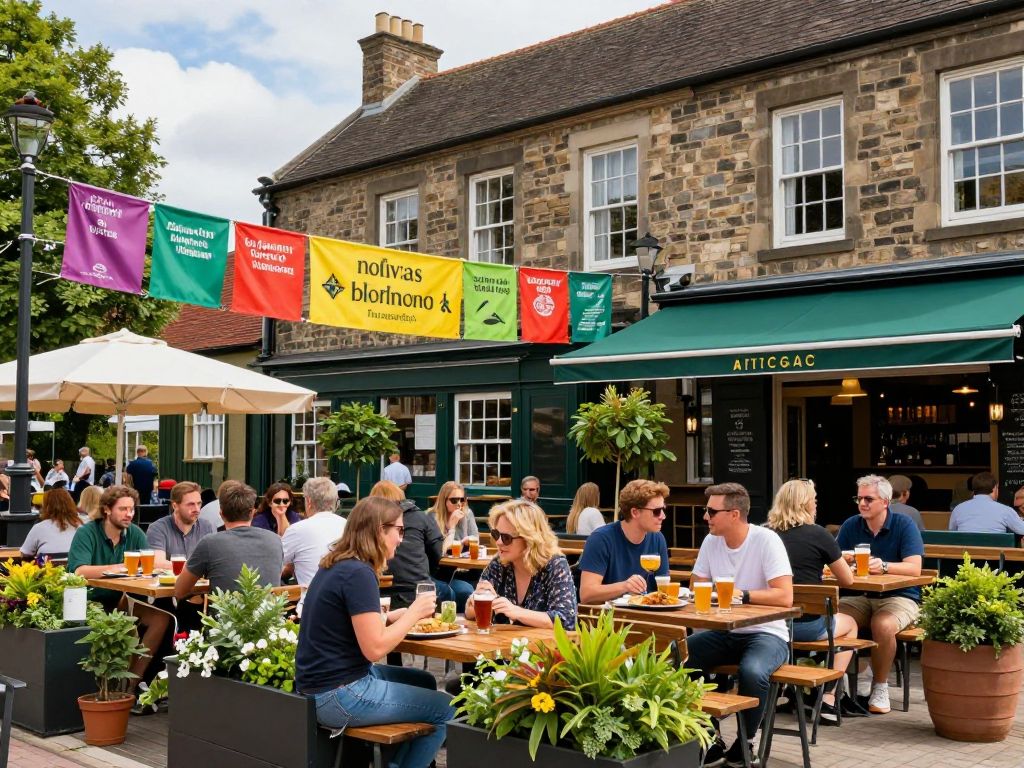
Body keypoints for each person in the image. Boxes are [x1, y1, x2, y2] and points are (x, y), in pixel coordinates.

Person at [295, 496, 454, 768]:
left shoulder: (337, 564)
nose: (401, 539)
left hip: (320, 685)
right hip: (340, 694)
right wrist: (414, 612)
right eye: (399, 531)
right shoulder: (359, 573)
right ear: (380, 530)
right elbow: (375, 649)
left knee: (425, 682)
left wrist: (392, 617)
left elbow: (350, 624)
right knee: (447, 711)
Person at [689, 482, 793, 768]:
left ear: (734, 514)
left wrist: (743, 595)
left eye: (711, 511)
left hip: (767, 633)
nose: (705, 517)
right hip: (724, 632)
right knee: (678, 658)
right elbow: (696, 584)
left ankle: (748, 740)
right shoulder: (711, 541)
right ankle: (708, 733)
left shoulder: (766, 541)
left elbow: (785, 596)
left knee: (753, 671)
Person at [766, 479, 857, 723]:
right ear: (805, 504)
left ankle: (787, 689)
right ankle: (827, 698)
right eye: (814, 499)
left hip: (771, 623)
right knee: (851, 625)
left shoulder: (764, 534)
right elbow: (847, 580)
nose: (816, 503)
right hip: (806, 626)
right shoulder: (819, 534)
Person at [837, 475, 924, 715]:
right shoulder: (851, 525)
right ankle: (836, 684)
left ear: (885, 502)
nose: (862, 503)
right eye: (859, 498)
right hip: (859, 596)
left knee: (883, 624)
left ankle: (880, 686)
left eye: (868, 499)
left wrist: (884, 566)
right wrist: (845, 565)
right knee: (835, 619)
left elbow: (914, 568)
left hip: (900, 596)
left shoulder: (904, 525)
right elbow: (834, 561)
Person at [67, 485, 169, 689]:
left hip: (121, 600)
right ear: (107, 509)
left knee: (161, 618)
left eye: (131, 509)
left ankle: (132, 683)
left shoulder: (135, 533)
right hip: (89, 602)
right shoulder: (87, 533)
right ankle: (109, 685)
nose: (129, 514)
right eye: (123, 509)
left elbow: (150, 565)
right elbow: (79, 571)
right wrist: (118, 567)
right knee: (126, 625)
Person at [467, 499, 576, 629]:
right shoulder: (499, 564)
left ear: (529, 539)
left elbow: (565, 620)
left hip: (543, 647)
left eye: (506, 538)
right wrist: (474, 603)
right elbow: (470, 614)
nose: (499, 542)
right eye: (496, 535)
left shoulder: (555, 565)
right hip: (504, 646)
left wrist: (516, 612)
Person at [175, 482, 283, 598]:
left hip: (227, 615)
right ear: (252, 513)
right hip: (267, 615)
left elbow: (180, 590)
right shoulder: (275, 540)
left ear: (221, 514)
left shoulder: (210, 543)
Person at [578, 479, 670, 604]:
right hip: (610, 618)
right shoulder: (601, 539)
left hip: (648, 615)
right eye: (657, 511)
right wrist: (625, 586)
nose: (663, 516)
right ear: (635, 512)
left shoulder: (658, 538)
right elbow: (587, 594)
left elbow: (663, 588)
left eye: (664, 509)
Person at [369, 480, 448, 607]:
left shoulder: (368, 521)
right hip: (418, 590)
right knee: (448, 590)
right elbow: (437, 553)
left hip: (380, 593)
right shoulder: (421, 517)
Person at [282, 477, 347, 615]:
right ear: (335, 502)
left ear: (309, 502)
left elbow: (278, 564)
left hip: (312, 607)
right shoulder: (349, 526)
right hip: (346, 605)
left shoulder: (297, 529)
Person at [426, 481, 476, 610]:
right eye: (454, 500)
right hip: (439, 572)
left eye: (462, 500)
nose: (459, 504)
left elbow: (476, 539)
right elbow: (441, 553)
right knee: (464, 591)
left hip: (463, 569)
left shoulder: (467, 514)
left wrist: (470, 540)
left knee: (475, 588)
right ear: (444, 500)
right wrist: (452, 527)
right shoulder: (431, 517)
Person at [146, 481, 215, 570]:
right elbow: (158, 563)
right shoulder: (158, 528)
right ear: (175, 506)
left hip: (201, 583)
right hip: (170, 582)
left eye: (199, 503)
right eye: (191, 504)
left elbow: (214, 561)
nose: (197, 509)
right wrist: (196, 567)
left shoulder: (206, 527)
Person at [948, 471, 1024, 535]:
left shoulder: (958, 509)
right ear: (994, 488)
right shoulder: (1005, 511)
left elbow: (952, 533)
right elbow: (1022, 529)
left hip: (966, 552)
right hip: (995, 552)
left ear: (974, 490)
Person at [20, 488, 84, 558]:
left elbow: (25, 554)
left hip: (47, 568)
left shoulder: (39, 528)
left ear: (46, 506)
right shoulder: (82, 527)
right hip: (76, 567)